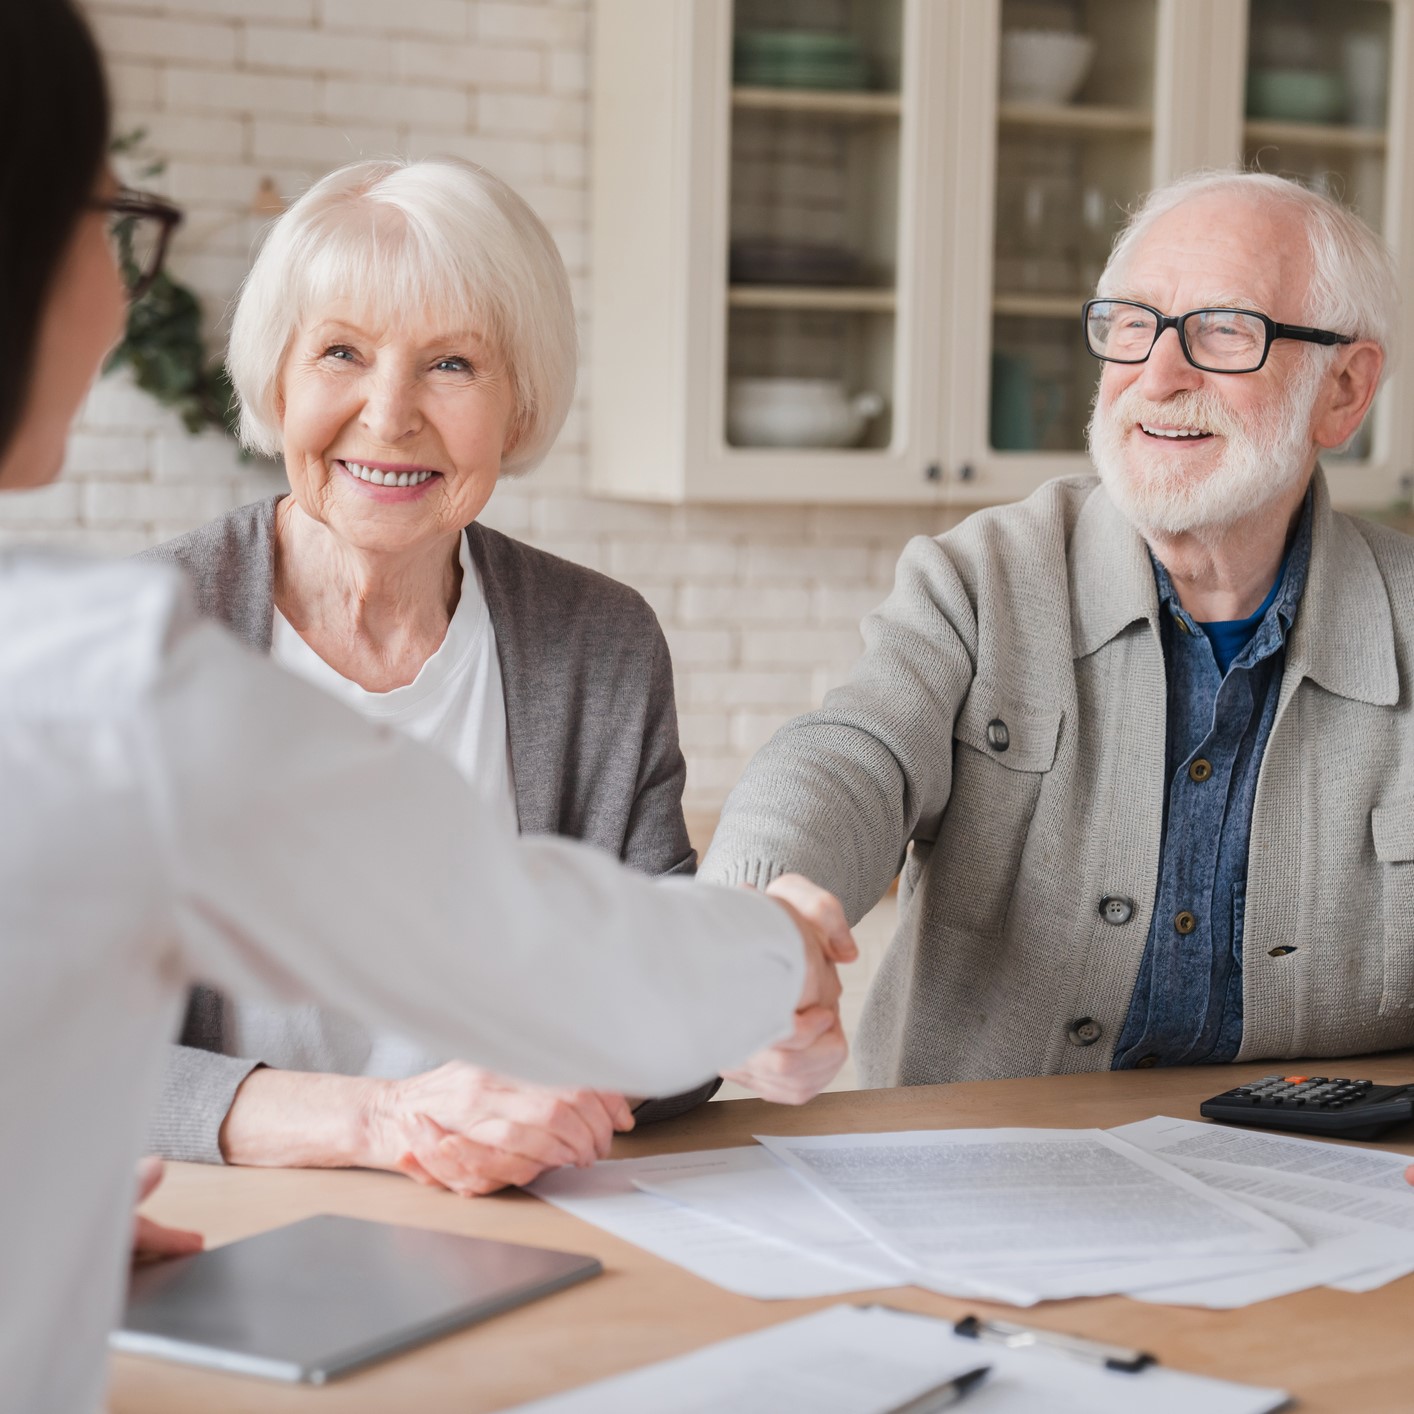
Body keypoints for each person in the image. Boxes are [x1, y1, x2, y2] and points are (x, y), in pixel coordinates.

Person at [0, 5, 855, 1411]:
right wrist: (775, 955)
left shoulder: (587, 637)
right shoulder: (110, 670)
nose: (118, 290)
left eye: (450, 363)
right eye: (113, 222)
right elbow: (512, 934)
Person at [138, 157, 844, 1197]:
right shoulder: (143, 644)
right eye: (342, 351)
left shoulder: (598, 643)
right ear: (278, 380)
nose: (388, 414)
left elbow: (648, 1026)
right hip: (220, 1219)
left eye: (453, 364)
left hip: (522, 1220)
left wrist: (739, 1008)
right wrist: (388, 1121)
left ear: (518, 410)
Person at [704, 168, 1407, 1088]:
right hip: (981, 1191)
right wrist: (754, 916)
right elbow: (849, 756)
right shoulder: (980, 578)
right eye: (1132, 325)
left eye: (1226, 332)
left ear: (1344, 391)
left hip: (1335, 1211)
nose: (1157, 377)